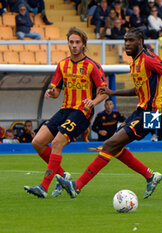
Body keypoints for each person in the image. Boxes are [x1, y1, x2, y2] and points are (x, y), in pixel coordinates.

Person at [56, 27, 162, 199]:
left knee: (109, 144)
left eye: (131, 41)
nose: (127, 44)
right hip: (141, 111)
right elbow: (138, 89)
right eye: (125, 41)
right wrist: (113, 93)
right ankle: (150, 176)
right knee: (115, 145)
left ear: (140, 42)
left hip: (154, 114)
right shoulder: (135, 62)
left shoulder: (150, 59)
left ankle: (77, 185)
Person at [24, 27, 108, 198]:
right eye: (71, 42)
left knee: (56, 143)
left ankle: (44, 187)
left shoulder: (92, 66)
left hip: (82, 112)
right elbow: (56, 91)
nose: (74, 45)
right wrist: (50, 93)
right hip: (65, 109)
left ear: (84, 44)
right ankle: (63, 176)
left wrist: (93, 102)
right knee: (37, 142)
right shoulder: (62, 65)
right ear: (68, 43)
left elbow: (104, 91)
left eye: (78, 42)